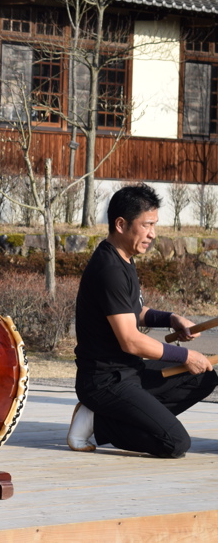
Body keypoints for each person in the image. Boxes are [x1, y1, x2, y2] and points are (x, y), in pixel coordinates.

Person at [67, 184, 217, 458]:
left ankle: (124, 416)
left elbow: (133, 311)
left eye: (154, 225)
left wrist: (171, 319)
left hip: (130, 373)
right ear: (121, 224)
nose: (152, 234)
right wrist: (185, 355)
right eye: (146, 225)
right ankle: (98, 422)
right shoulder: (109, 269)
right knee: (175, 444)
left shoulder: (124, 258)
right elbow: (131, 341)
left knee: (203, 377)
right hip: (103, 381)